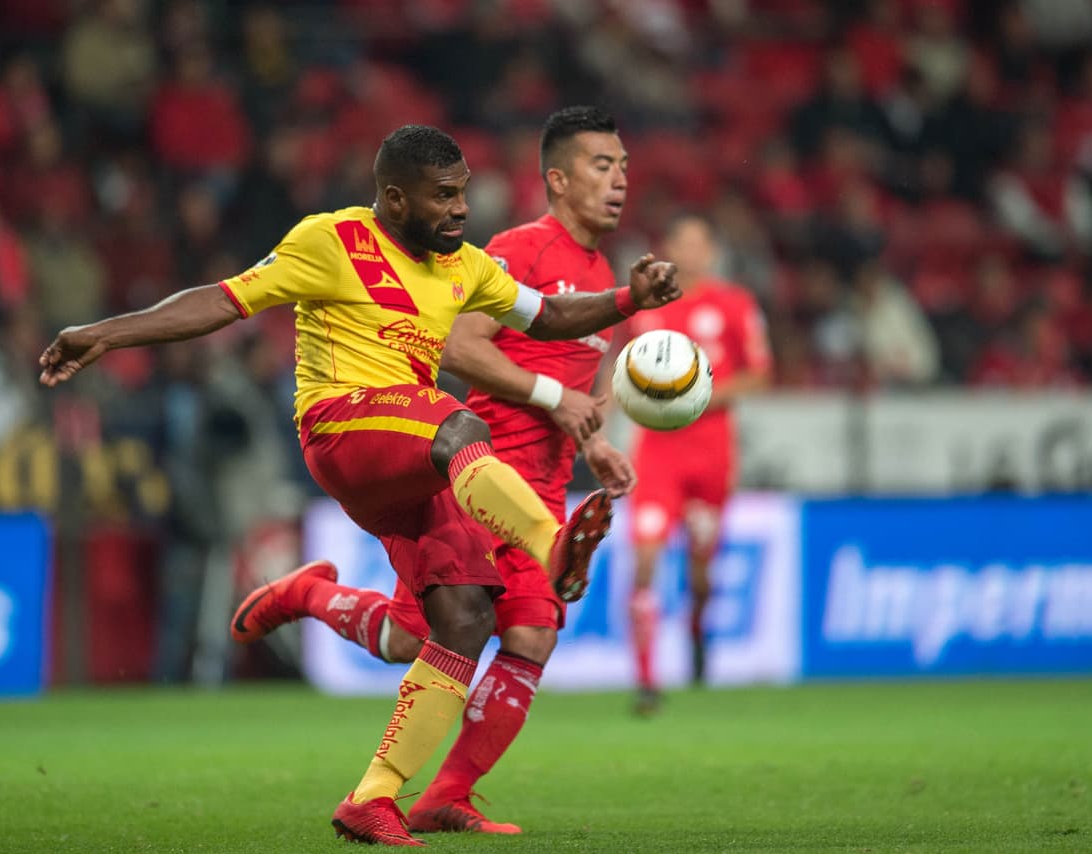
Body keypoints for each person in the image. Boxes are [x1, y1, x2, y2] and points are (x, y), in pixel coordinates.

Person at [37, 124, 680, 846]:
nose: (462, 210)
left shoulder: (465, 266)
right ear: (395, 198)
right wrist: (105, 333)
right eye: (444, 197)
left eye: (464, 193)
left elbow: (551, 315)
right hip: (343, 429)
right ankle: (551, 542)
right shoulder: (331, 240)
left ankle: (371, 797)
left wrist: (629, 299)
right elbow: (222, 300)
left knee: (460, 619)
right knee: (460, 423)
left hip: (415, 457)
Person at [230, 106, 638, 836]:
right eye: (603, 166)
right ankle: (313, 597)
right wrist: (552, 395)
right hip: (467, 462)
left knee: (518, 634)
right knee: (417, 639)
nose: (619, 181)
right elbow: (460, 346)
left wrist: (593, 439)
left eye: (624, 168)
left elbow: (569, 374)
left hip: (533, 478)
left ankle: (443, 792)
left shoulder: (600, 277)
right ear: (558, 178)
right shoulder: (516, 248)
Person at [623, 213, 772, 715]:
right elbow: (620, 372)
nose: (689, 252)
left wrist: (695, 396)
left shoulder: (734, 304)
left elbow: (759, 376)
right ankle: (646, 682)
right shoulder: (644, 308)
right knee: (644, 561)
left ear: (711, 251)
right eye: (680, 243)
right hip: (657, 456)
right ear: (669, 249)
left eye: (697, 243)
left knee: (701, 573)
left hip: (710, 455)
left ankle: (696, 632)